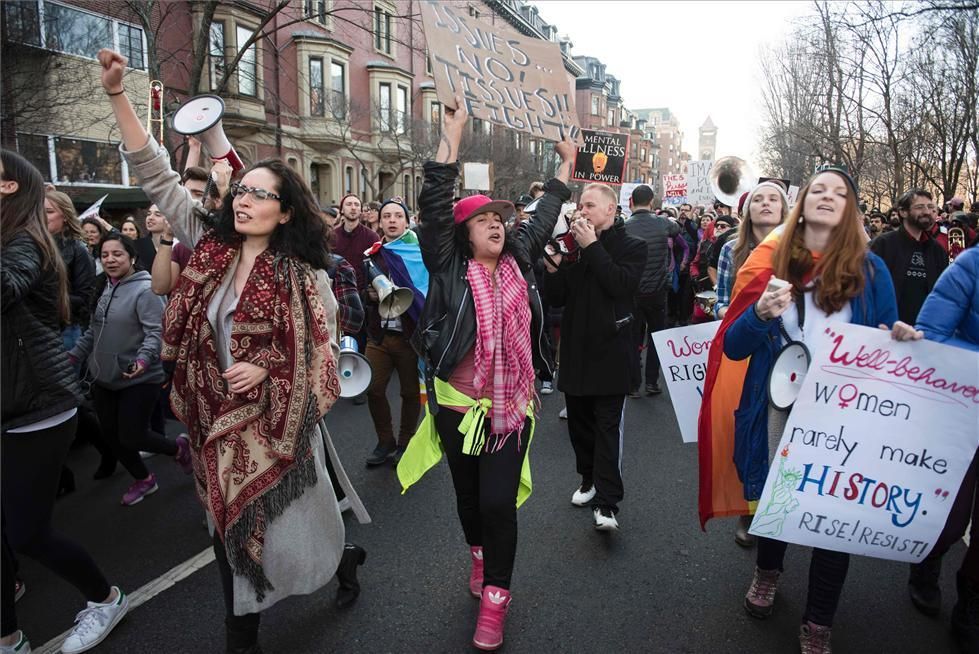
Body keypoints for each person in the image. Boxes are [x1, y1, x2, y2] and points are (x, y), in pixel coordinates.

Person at [98, 47, 369, 652]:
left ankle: (343, 560)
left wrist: (270, 371)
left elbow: (324, 352)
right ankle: (239, 630)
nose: (241, 199)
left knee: (300, 531)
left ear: (286, 210)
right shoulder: (208, 242)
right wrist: (118, 95)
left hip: (280, 424)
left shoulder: (304, 272)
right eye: (239, 190)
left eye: (258, 194)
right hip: (215, 415)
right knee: (228, 524)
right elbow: (155, 175)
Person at [398, 98, 576, 651]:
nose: (497, 225)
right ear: (463, 233)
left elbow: (544, 214)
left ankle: (496, 599)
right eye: (484, 219)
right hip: (456, 405)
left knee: (498, 502)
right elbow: (432, 203)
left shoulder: (520, 260)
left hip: (510, 407)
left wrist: (564, 166)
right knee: (469, 498)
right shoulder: (447, 265)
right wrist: (451, 133)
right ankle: (478, 555)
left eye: (500, 219)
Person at [718, 168, 916, 653]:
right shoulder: (772, 263)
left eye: (840, 193)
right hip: (782, 409)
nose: (827, 197)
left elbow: (888, 344)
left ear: (850, 209)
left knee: (835, 515)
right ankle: (768, 572)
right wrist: (761, 313)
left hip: (844, 415)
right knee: (777, 501)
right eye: (818, 190)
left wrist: (902, 337)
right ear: (802, 204)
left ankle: (819, 619)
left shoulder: (872, 271)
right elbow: (734, 348)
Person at [1, 148, 129, 654]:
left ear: (10, 186)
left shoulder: (25, 243)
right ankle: (8, 637)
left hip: (36, 406)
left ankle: (106, 597)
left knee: (28, 533)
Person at [544, 181, 647, 531]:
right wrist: (555, 267)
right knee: (580, 426)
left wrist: (591, 248)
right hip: (576, 351)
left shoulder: (633, 246)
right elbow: (558, 298)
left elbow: (620, 285)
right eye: (580, 205)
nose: (581, 211)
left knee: (607, 429)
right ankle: (587, 479)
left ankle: (607, 502)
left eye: (589, 205)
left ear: (610, 211)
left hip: (612, 353)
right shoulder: (572, 248)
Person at [68, 233, 192, 505]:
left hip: (139, 378)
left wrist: (143, 360)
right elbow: (93, 331)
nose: (111, 260)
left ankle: (179, 448)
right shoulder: (105, 288)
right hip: (104, 379)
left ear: (132, 257)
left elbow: (155, 332)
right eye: (105, 255)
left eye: (117, 254)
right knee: (112, 437)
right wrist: (73, 356)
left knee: (132, 435)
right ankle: (144, 480)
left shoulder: (146, 289)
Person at [907, 243, 979, 653]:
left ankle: (970, 597)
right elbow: (932, 335)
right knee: (952, 517)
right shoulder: (971, 264)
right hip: (965, 411)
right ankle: (928, 559)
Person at [363, 198, 421, 466]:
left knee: (410, 393)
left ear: (407, 221)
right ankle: (384, 440)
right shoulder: (372, 255)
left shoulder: (419, 253)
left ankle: (406, 442)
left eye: (398, 215)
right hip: (380, 335)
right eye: (387, 216)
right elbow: (358, 289)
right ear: (380, 221)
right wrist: (370, 294)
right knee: (373, 389)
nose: (392, 220)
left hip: (409, 336)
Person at [623, 183, 680, 396]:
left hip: (633, 293)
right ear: (652, 202)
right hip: (657, 293)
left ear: (631, 202)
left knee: (633, 338)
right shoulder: (663, 223)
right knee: (657, 339)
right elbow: (677, 229)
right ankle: (652, 382)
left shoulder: (624, 226)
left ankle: (633, 384)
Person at [870, 188, 948, 325]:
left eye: (930, 207)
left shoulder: (937, 250)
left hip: (924, 332)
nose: (927, 212)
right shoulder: (882, 244)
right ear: (903, 212)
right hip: (886, 330)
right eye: (919, 207)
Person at [44, 190, 96, 350]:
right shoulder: (32, 246)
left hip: (66, 330)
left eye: (49, 212)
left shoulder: (77, 250)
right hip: (36, 328)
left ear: (65, 216)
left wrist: (46, 298)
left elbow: (85, 297)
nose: (42, 216)